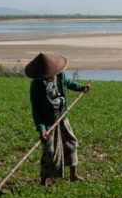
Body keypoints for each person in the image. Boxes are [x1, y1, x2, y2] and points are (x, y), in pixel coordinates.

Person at [26, 52, 91, 184]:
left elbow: (69, 83)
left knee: (71, 143)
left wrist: (81, 88)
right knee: (49, 150)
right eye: (46, 77)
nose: (49, 78)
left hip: (62, 115)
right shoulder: (36, 86)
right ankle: (44, 179)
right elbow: (36, 111)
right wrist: (42, 129)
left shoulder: (60, 76)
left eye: (50, 76)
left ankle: (74, 174)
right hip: (47, 120)